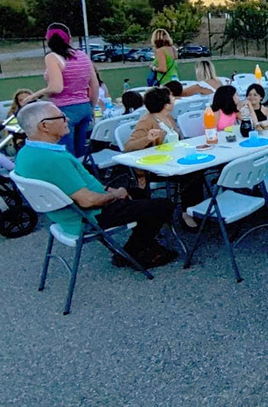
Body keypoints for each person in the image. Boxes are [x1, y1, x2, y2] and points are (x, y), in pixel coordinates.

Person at [14, 101, 177, 268]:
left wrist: (108, 189)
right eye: (61, 116)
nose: (67, 119)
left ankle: (143, 243)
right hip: (88, 217)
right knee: (164, 205)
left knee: (139, 193)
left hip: (66, 216)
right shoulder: (53, 159)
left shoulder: (26, 153)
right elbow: (88, 201)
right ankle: (132, 252)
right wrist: (115, 195)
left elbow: (77, 184)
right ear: (45, 126)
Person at [124, 87, 205, 229]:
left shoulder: (168, 117)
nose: (175, 100)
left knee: (198, 168)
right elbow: (128, 147)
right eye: (172, 98)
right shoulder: (147, 121)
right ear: (165, 104)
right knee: (191, 174)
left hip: (174, 160)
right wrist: (147, 138)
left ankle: (197, 209)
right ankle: (187, 213)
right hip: (156, 167)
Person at [23, 23, 98, 157]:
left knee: (66, 153)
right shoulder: (82, 55)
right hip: (84, 107)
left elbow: (56, 87)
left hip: (64, 110)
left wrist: (36, 95)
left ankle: (68, 176)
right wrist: (91, 106)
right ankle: (81, 174)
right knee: (81, 152)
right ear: (68, 38)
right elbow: (94, 84)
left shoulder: (52, 57)